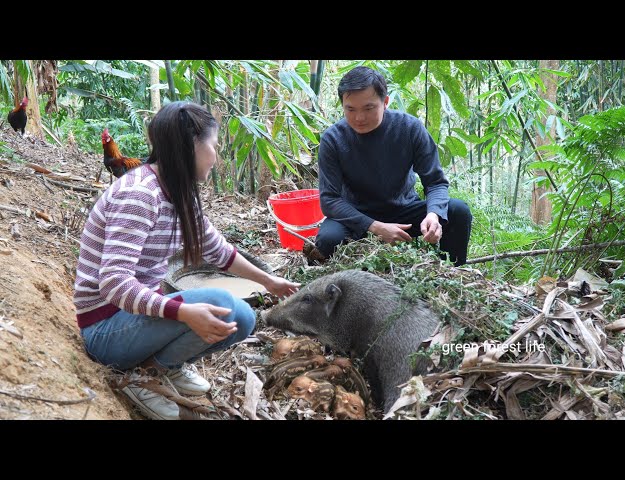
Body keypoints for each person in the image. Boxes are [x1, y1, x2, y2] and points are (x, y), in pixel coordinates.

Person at [73, 101, 300, 420]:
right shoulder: (140, 195)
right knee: (222, 301)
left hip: (134, 320)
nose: (216, 157)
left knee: (243, 318)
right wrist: (180, 310)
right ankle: (139, 380)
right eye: (214, 146)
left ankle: (160, 367)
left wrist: (269, 281)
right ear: (192, 144)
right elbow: (115, 283)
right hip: (106, 329)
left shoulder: (179, 192)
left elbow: (218, 251)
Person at [314, 66, 472, 266]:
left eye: (369, 108)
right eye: (350, 109)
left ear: (385, 102)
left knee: (458, 211)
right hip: (357, 215)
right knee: (328, 240)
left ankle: (449, 273)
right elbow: (330, 200)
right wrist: (376, 227)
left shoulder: (409, 128)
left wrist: (433, 213)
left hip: (404, 210)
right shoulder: (333, 139)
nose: (359, 117)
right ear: (342, 105)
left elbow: (435, 182)